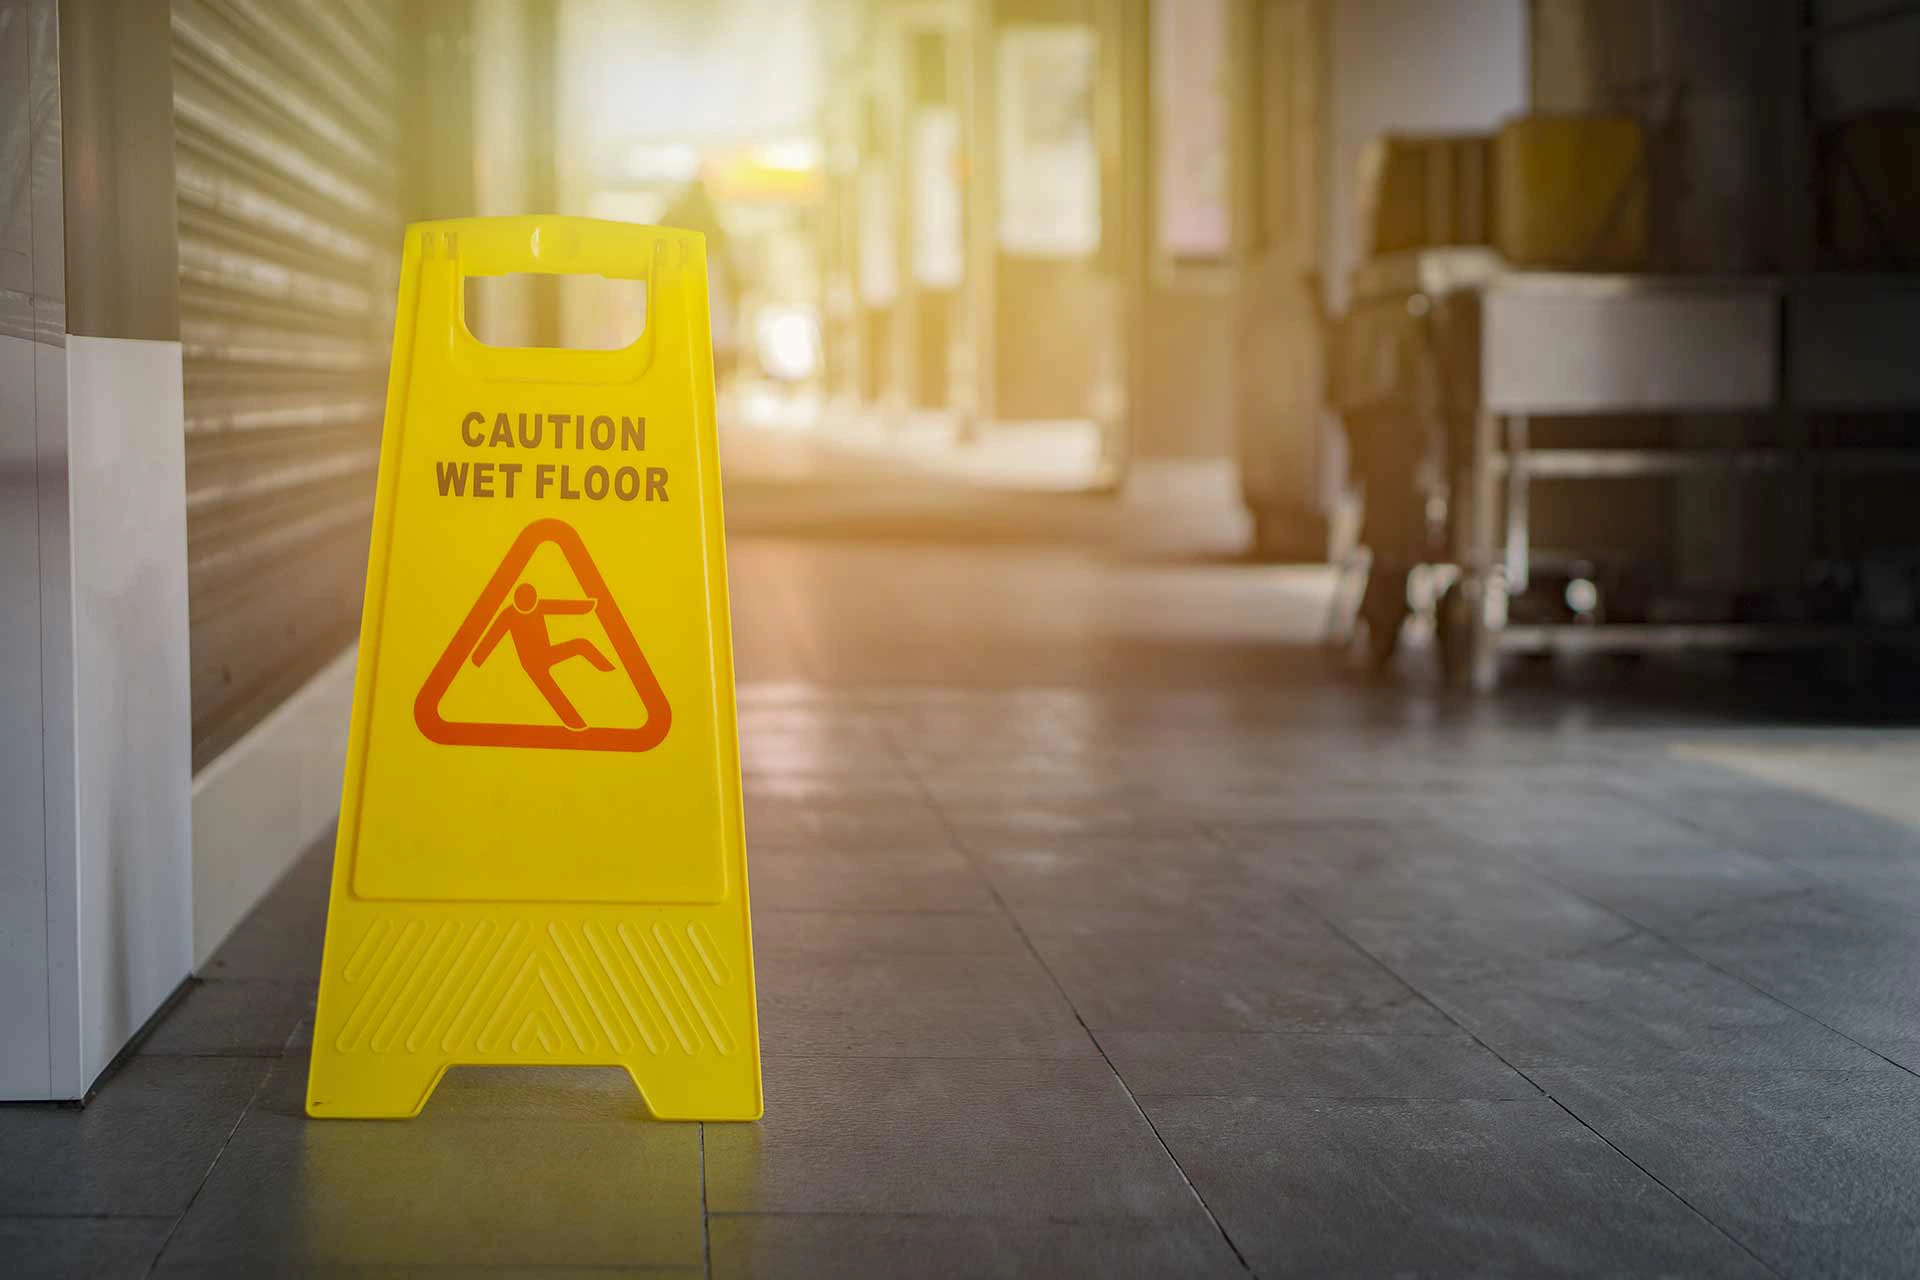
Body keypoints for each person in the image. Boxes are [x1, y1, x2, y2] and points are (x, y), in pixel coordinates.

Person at [473, 583, 611, 730]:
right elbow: (492, 637)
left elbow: (561, 607)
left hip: (546, 653)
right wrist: (478, 659)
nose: (528, 602)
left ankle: (609, 670)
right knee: (552, 691)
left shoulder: (539, 606)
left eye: (530, 598)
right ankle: (575, 723)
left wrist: (587, 606)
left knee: (581, 645)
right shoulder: (508, 615)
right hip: (531, 664)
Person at [659, 176, 742, 380]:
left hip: (680, 305)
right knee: (710, 359)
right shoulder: (716, 230)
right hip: (712, 301)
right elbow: (733, 276)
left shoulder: (674, 221)